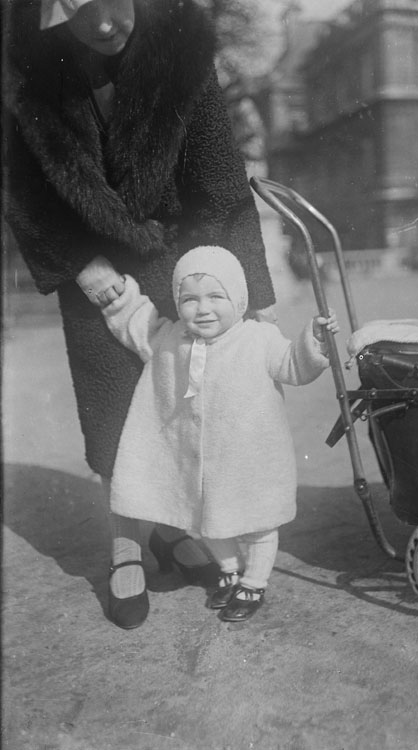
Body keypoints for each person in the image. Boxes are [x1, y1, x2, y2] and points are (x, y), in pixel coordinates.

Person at [3, 0, 277, 628]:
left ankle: (173, 532)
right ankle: (128, 547)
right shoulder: (23, 67)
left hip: (178, 259)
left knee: (182, 404)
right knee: (113, 414)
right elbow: (21, 188)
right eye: (80, 11)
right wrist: (84, 268)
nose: (102, 24)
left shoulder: (180, 50)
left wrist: (242, 293)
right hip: (89, 263)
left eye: (112, 3)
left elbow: (222, 182)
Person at [99, 245, 338, 622]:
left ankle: (255, 581)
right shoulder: (170, 338)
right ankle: (229, 572)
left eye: (216, 296)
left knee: (259, 525)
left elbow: (294, 365)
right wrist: (117, 298)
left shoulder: (257, 338)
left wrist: (316, 341)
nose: (203, 308)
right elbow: (137, 323)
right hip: (200, 467)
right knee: (206, 523)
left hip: (249, 462)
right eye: (189, 299)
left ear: (239, 299)